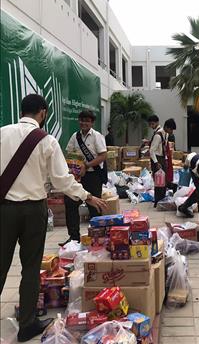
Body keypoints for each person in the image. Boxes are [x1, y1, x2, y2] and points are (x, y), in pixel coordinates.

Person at [0, 94, 106, 342]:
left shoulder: (2, 133)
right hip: (33, 210)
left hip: (4, 208)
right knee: (30, 267)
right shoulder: (46, 141)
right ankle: (27, 324)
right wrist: (87, 197)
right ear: (43, 113)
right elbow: (62, 180)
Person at [61, 110, 107, 245]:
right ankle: (74, 237)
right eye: (82, 120)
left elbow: (103, 155)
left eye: (87, 120)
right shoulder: (75, 137)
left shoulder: (97, 136)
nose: (84, 123)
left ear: (92, 122)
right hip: (77, 178)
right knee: (70, 204)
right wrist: (74, 168)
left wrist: (86, 166)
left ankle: (97, 237)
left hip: (93, 176)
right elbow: (69, 153)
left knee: (94, 206)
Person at [148, 115, 167, 207]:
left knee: (158, 181)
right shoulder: (163, 132)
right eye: (150, 124)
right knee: (162, 181)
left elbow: (151, 151)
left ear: (157, 122)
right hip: (162, 158)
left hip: (158, 159)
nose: (151, 126)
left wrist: (156, 162)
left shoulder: (157, 135)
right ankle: (162, 199)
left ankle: (158, 201)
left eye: (152, 124)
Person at [163, 118, 178, 192]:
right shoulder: (162, 134)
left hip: (167, 157)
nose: (172, 132)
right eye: (171, 129)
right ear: (166, 127)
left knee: (167, 174)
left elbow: (172, 147)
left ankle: (171, 187)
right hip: (164, 157)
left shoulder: (170, 135)